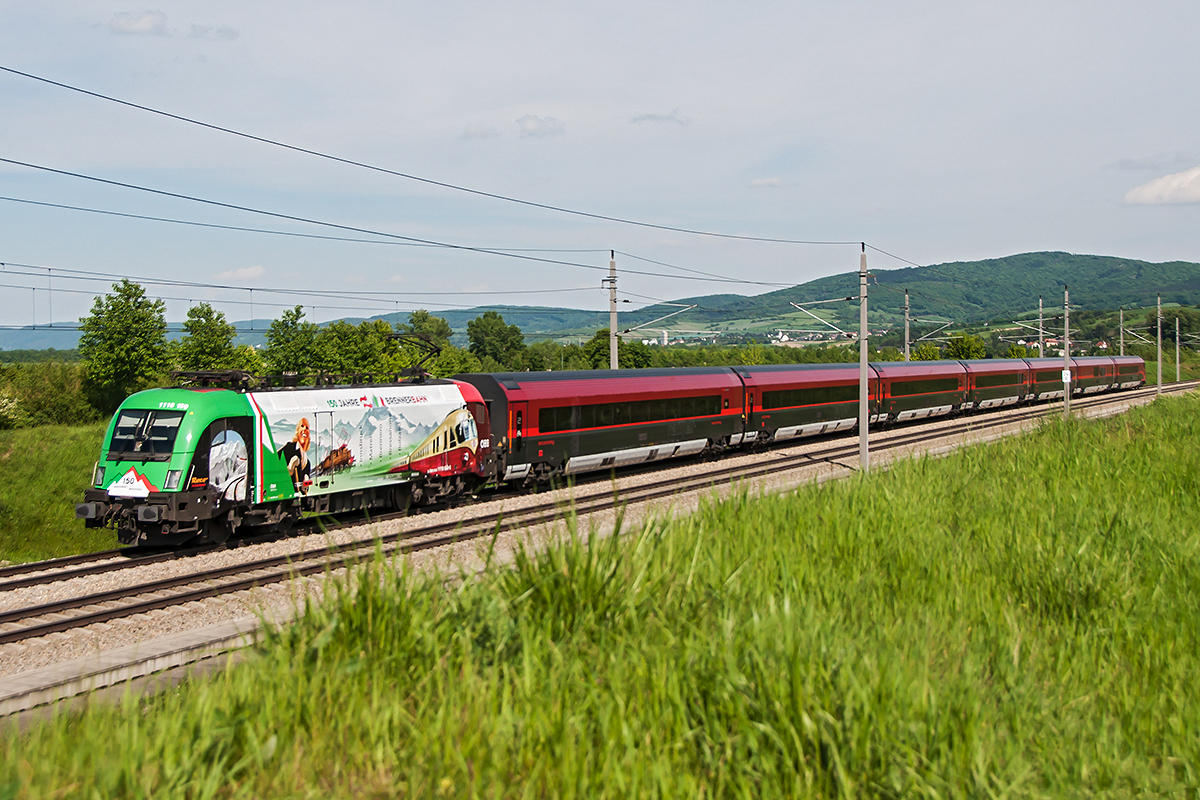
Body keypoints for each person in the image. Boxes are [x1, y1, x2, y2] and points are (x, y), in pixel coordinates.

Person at [278, 417, 312, 494]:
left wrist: (305, 485)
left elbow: (304, 490)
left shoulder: (307, 463)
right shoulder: (289, 447)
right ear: (297, 430)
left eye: (307, 428)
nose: (304, 429)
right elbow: (275, 457)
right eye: (302, 426)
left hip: (295, 493)